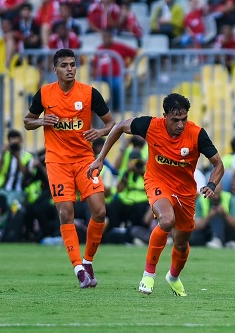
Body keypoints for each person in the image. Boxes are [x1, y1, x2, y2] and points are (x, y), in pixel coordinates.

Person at [87, 92, 224, 296]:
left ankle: (173, 277)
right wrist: (100, 158)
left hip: (185, 192)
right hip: (157, 182)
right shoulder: (150, 125)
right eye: (175, 120)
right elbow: (119, 126)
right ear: (165, 116)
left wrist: (212, 184)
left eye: (184, 119)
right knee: (166, 220)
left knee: (182, 242)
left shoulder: (197, 134)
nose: (180, 124)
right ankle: (148, 275)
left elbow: (218, 164)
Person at [23, 48, 116, 288]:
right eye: (64, 65)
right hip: (57, 161)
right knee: (65, 212)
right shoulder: (44, 94)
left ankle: (88, 261)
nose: (70, 69)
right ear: (55, 70)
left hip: (85, 159)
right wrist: (42, 120)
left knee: (100, 212)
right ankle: (78, 269)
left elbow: (111, 123)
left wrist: (100, 131)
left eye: (73, 64)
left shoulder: (89, 93)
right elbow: (27, 121)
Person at [190, 182, 235, 249]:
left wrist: (225, 214)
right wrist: (209, 216)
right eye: (214, 193)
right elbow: (197, 225)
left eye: (218, 193)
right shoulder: (201, 200)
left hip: (227, 229)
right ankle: (218, 241)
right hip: (206, 229)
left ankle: (222, 240)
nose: (216, 196)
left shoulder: (230, 198)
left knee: (218, 216)